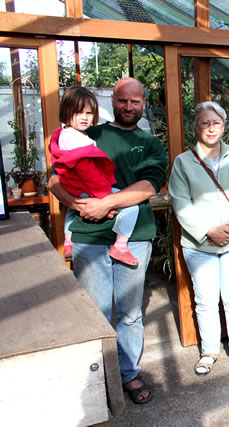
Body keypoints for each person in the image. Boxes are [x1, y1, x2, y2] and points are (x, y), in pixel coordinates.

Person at [48, 77, 168, 404]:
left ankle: (128, 374)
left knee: (129, 313)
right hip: (91, 236)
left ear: (144, 102)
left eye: (136, 101)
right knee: (97, 312)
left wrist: (107, 203)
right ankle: (99, 376)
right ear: (112, 101)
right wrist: (75, 204)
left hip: (134, 236)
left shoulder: (150, 143)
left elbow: (150, 185)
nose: (129, 107)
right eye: (122, 100)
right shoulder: (89, 134)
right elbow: (55, 178)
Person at [169, 101, 229, 376]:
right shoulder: (183, 162)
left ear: (224, 126)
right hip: (199, 244)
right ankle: (209, 351)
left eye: (216, 123)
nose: (210, 128)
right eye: (205, 123)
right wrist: (208, 229)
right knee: (205, 300)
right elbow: (179, 202)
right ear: (196, 127)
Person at [49, 85, 139, 266]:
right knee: (131, 207)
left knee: (74, 209)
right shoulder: (78, 140)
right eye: (78, 112)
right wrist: (103, 196)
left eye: (89, 113)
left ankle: (68, 242)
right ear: (66, 111)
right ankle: (121, 246)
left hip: (72, 186)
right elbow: (87, 171)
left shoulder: (63, 134)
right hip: (86, 186)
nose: (84, 117)